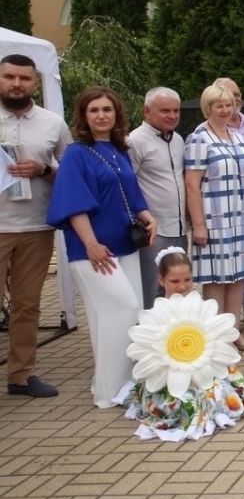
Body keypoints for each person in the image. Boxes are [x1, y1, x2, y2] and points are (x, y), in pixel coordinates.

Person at [47, 87, 157, 408]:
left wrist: (149, 218)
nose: (101, 115)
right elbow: (73, 204)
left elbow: (132, 194)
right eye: (93, 110)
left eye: (107, 109)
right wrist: (91, 243)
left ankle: (112, 384)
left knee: (114, 313)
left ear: (116, 114)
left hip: (125, 244)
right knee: (121, 309)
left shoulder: (118, 150)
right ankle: (111, 391)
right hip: (93, 250)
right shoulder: (76, 153)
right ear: (83, 115)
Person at [119, 249, 244, 441]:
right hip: (168, 375)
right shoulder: (154, 314)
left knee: (230, 396)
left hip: (204, 371)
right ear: (161, 280)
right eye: (175, 281)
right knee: (178, 404)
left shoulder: (202, 307)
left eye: (187, 280)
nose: (182, 286)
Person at [0, 54, 71, 398]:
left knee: (28, 304)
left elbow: (72, 172)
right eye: (9, 77)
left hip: (35, 227)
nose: (16, 83)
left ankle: (21, 375)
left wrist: (43, 170)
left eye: (24, 78)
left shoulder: (52, 122)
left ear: (34, 82)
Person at [185, 83, 244, 351]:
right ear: (208, 108)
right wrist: (199, 225)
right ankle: (216, 337)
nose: (226, 110)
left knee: (237, 276)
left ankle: (233, 332)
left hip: (238, 215)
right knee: (216, 278)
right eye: (220, 106)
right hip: (213, 218)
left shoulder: (238, 137)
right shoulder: (199, 138)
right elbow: (192, 184)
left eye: (229, 105)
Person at [128, 87, 187, 310]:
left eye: (176, 111)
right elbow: (127, 184)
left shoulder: (179, 139)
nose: (172, 116)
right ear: (146, 111)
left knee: (177, 288)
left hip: (180, 228)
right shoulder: (135, 141)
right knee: (152, 288)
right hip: (154, 230)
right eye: (165, 111)